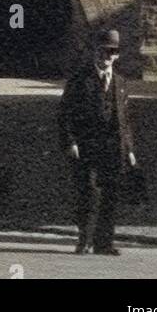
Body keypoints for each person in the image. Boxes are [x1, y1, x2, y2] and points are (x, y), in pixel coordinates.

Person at [58, 28, 136, 255]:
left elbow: (125, 120)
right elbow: (65, 114)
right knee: (89, 193)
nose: (107, 57)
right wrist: (70, 142)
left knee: (111, 194)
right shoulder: (79, 81)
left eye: (112, 52)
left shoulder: (120, 83)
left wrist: (129, 149)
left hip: (113, 149)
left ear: (118, 55)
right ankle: (85, 239)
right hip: (87, 147)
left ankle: (104, 242)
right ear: (95, 52)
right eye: (103, 52)